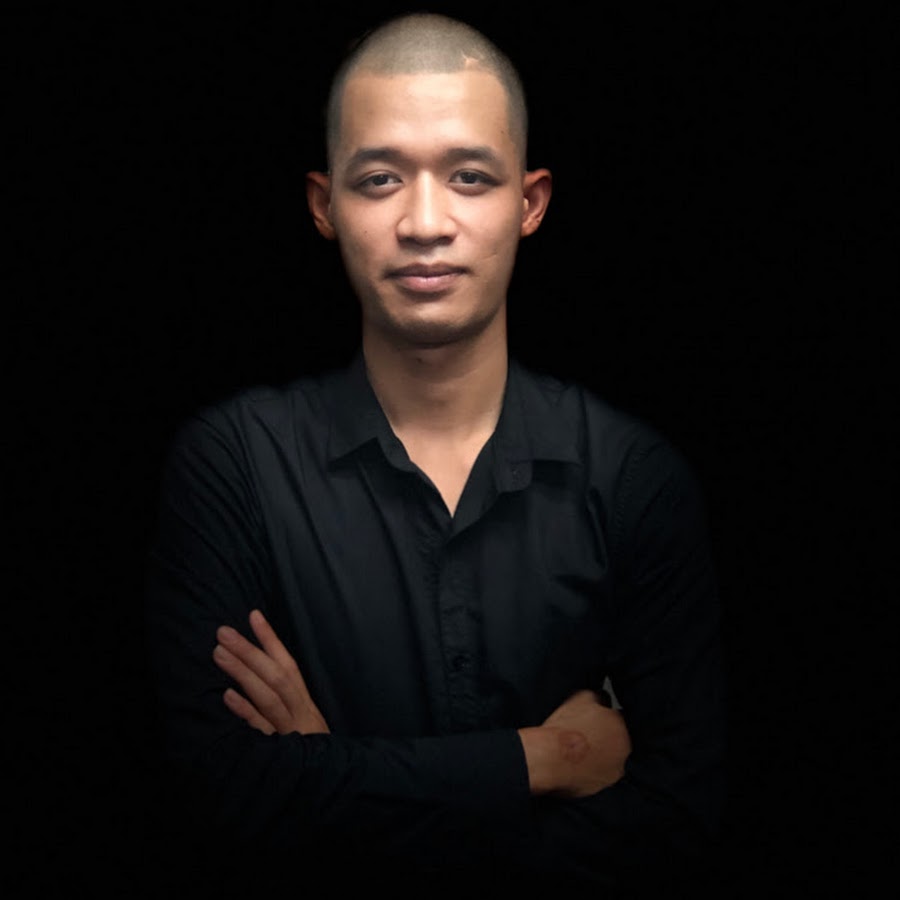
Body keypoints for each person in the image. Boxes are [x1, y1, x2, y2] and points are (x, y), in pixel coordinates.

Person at [144, 11, 726, 894]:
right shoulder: (234, 465)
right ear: (324, 206)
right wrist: (547, 758)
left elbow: (679, 823)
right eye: (380, 179)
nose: (424, 222)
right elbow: (219, 800)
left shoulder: (634, 477)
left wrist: (330, 780)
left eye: (469, 177)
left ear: (529, 203)